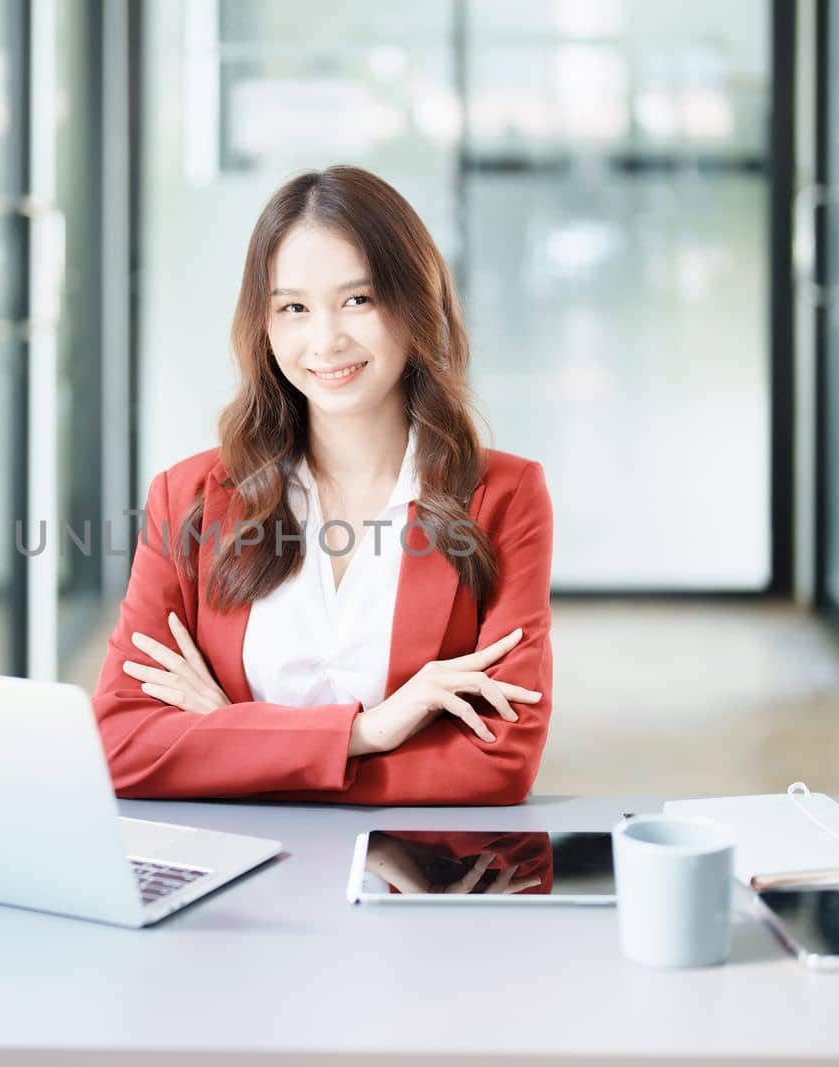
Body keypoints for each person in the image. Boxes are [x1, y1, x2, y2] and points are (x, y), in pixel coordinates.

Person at [90, 164, 553, 805]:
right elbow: (118, 746)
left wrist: (230, 739)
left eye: (358, 300)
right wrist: (365, 733)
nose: (326, 339)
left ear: (416, 304)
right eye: (294, 308)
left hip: (406, 876)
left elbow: (498, 763)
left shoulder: (502, 497)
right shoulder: (189, 497)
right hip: (235, 874)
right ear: (265, 324)